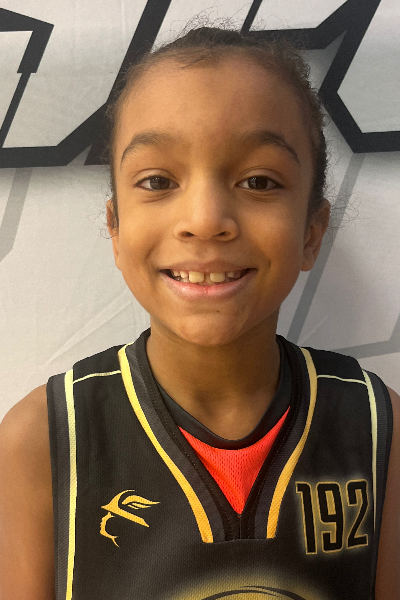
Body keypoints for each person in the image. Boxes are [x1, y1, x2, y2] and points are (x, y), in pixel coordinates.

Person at [0, 25, 399, 600]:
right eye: (158, 180)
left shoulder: (377, 426)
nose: (206, 219)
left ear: (312, 232)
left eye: (258, 180)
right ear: (115, 228)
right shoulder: (42, 438)